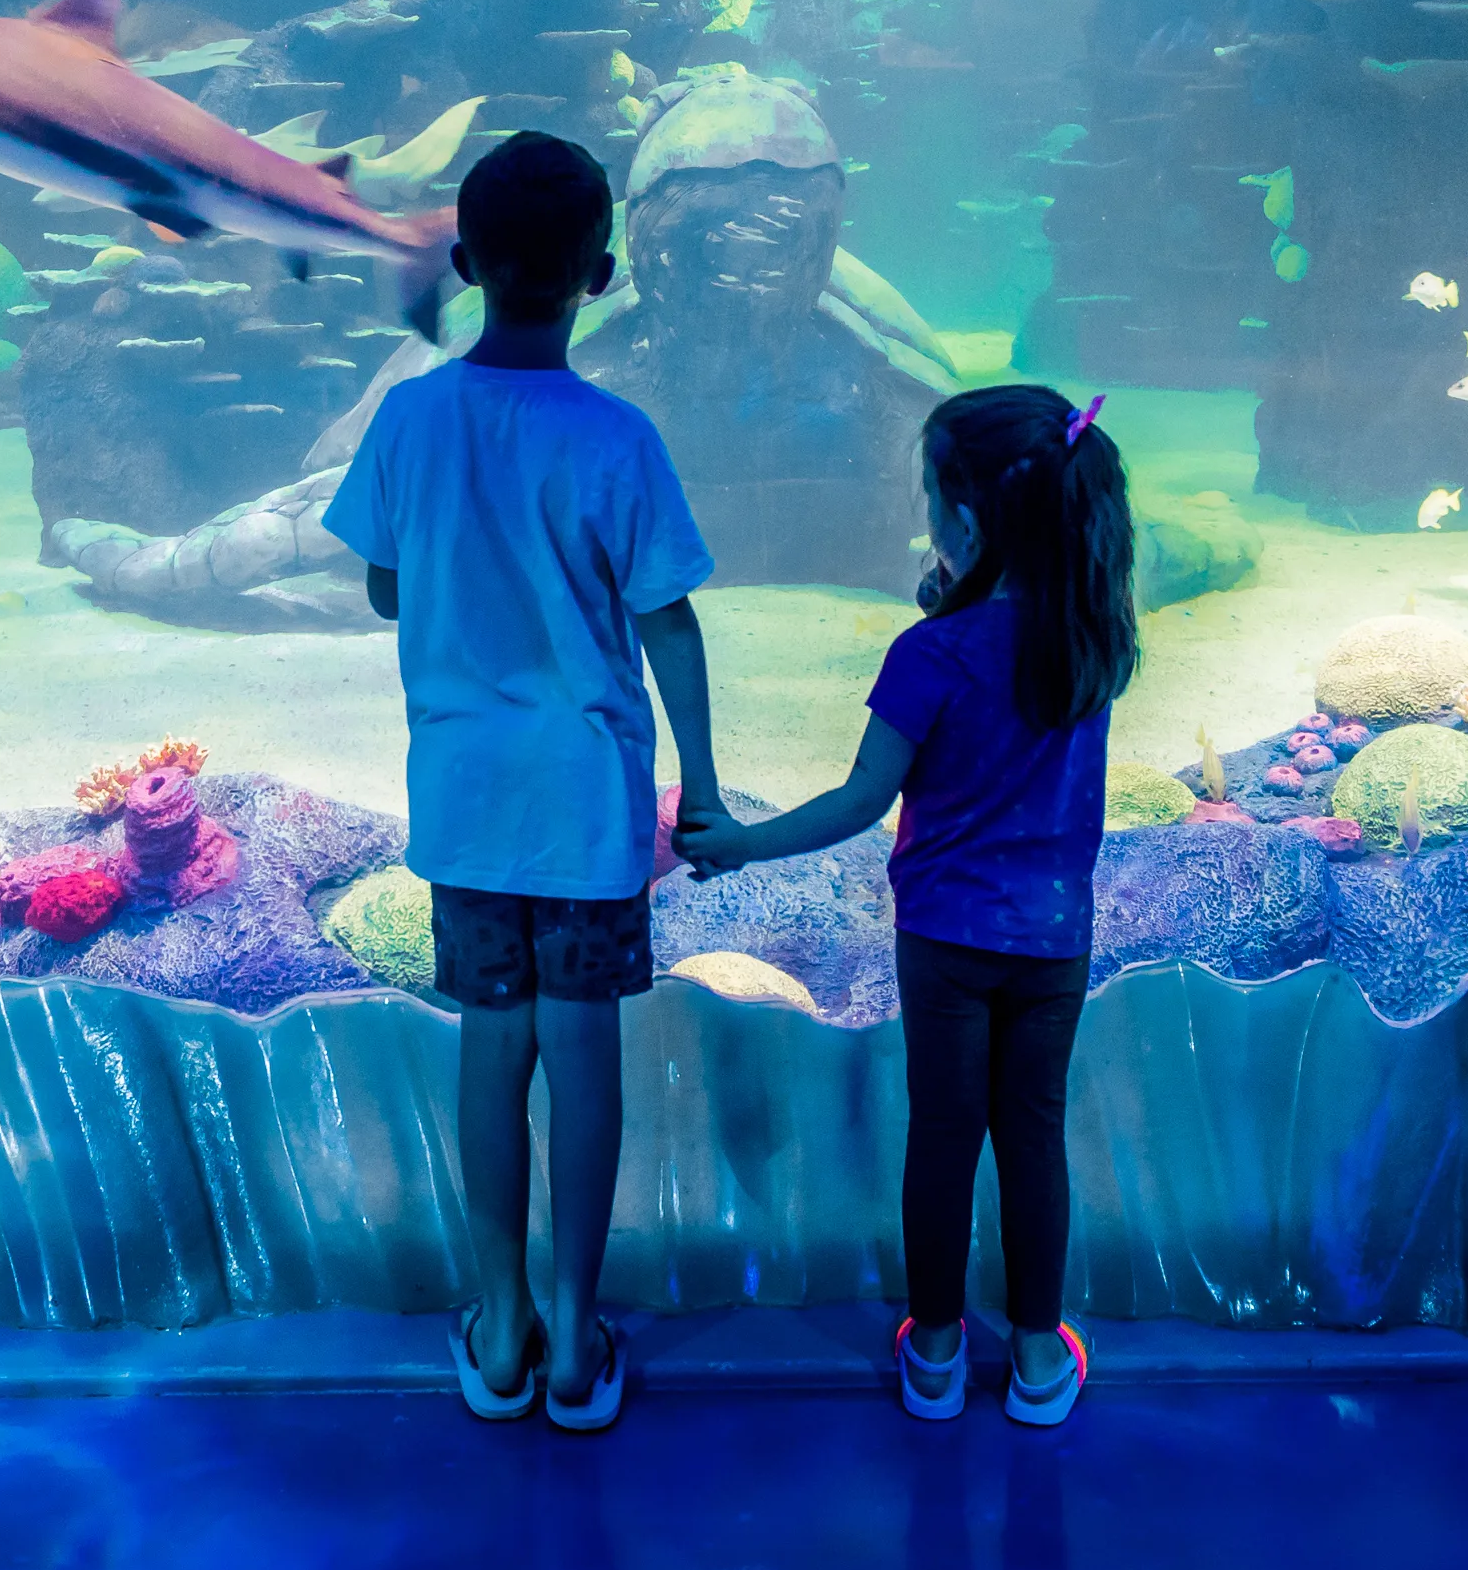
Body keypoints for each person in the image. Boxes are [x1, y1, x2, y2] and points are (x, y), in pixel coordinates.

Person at [323, 130, 723, 1433]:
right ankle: (573, 1328)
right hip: (591, 802)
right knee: (583, 1046)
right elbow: (667, 617)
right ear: (603, 272)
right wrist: (704, 779)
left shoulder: (410, 413)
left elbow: (384, 580)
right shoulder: (618, 437)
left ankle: (497, 1326)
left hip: (468, 794)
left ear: (464, 261)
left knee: (492, 1048)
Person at [676, 382, 1134, 1426]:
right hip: (1053, 938)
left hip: (944, 939)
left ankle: (932, 1352)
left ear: (966, 519)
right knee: (1031, 1139)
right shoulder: (1097, 635)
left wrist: (744, 844)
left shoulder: (928, 655)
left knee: (943, 1136)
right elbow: (1012, 668)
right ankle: (1033, 1358)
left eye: (928, 492)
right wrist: (961, 599)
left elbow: (861, 798)